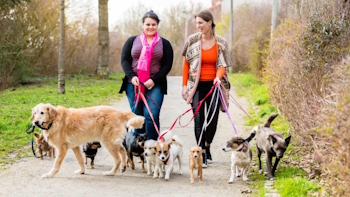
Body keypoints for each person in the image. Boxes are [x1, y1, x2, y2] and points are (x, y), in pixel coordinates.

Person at [181, 10, 232, 167]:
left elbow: (222, 64)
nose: (198, 26)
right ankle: (201, 151)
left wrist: (218, 77)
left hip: (214, 85)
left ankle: (208, 145)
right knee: (198, 119)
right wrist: (184, 86)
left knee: (212, 121)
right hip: (196, 86)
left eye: (201, 23)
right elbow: (186, 64)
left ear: (210, 22)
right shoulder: (192, 40)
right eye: (197, 23)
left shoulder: (221, 43)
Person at [119, 10, 174, 141]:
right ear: (143, 25)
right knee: (137, 116)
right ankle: (139, 146)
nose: (150, 27)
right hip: (134, 83)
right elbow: (124, 60)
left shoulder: (164, 44)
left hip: (155, 83)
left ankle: (153, 146)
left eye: (153, 24)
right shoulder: (132, 41)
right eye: (147, 24)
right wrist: (132, 76)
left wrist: (154, 80)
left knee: (151, 114)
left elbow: (167, 65)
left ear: (157, 25)